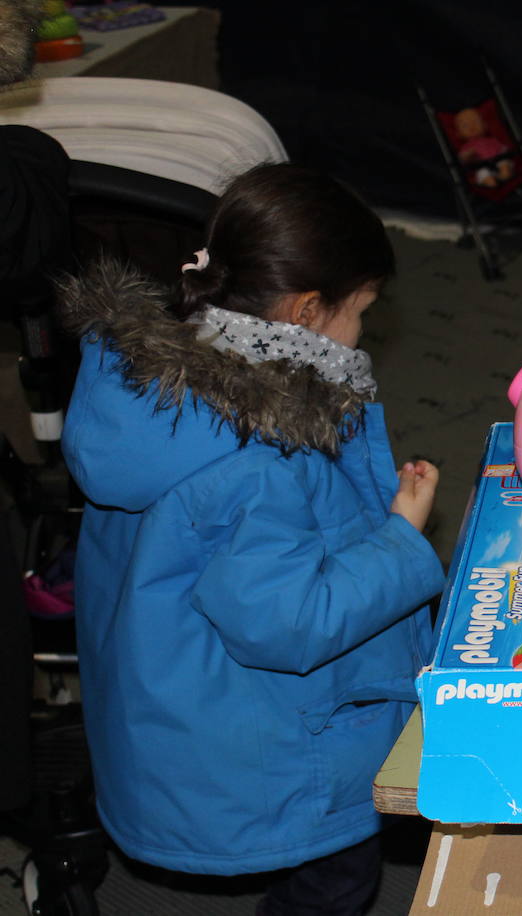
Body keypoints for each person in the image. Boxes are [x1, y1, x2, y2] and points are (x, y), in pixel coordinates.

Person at [58, 162, 446, 914]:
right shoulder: (262, 453)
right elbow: (292, 623)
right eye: (360, 310)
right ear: (305, 312)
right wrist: (402, 538)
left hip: (189, 700)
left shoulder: (158, 396)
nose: (365, 330)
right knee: (337, 882)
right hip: (271, 743)